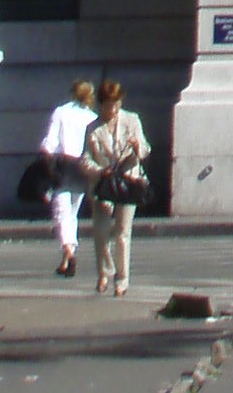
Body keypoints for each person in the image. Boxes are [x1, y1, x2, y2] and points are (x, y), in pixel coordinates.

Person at [81, 79, 151, 296]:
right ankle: (104, 273)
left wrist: (138, 146)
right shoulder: (93, 128)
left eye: (116, 104)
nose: (112, 109)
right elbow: (85, 159)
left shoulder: (131, 120)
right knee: (101, 232)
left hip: (128, 182)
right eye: (108, 105)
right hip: (103, 184)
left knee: (122, 233)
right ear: (100, 104)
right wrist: (100, 171)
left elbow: (145, 150)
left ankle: (122, 280)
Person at [38, 77, 96, 276]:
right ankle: (65, 261)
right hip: (82, 167)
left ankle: (70, 253)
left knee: (61, 212)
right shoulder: (92, 118)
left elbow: (50, 142)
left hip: (63, 165)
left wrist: (45, 156)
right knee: (72, 212)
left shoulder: (61, 112)